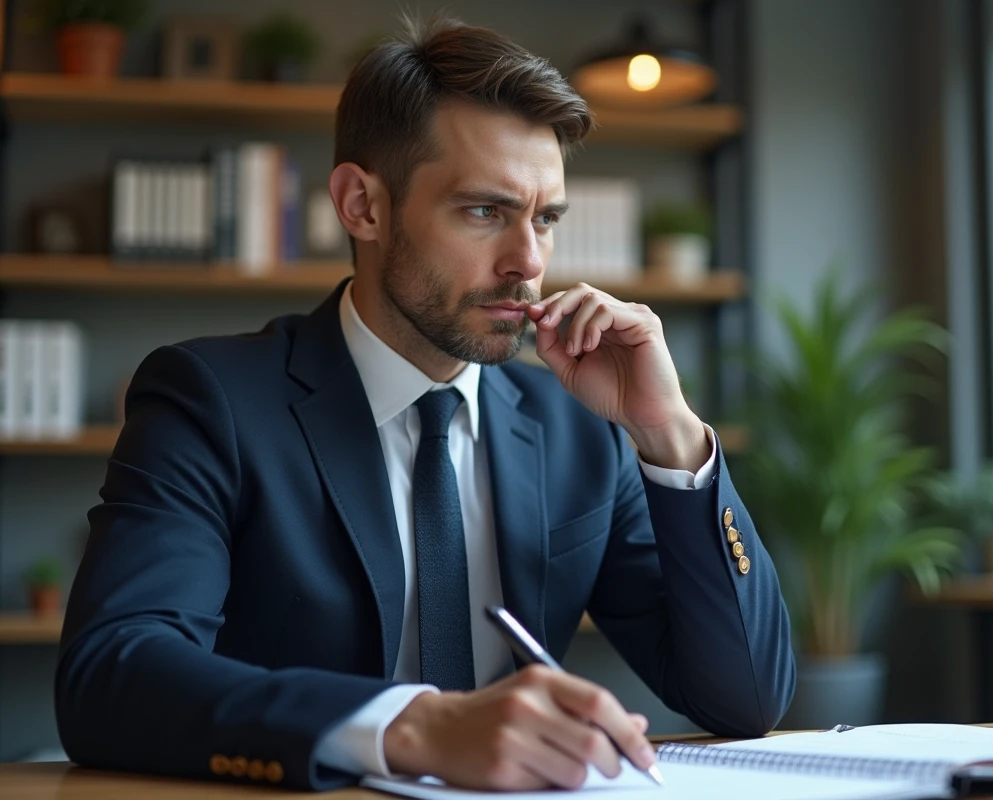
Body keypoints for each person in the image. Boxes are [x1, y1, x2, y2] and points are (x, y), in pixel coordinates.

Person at [55, 15, 795, 792]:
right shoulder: (210, 402)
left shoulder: (584, 432)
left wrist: (669, 435)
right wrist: (410, 725)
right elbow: (112, 673)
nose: (530, 262)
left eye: (545, 218)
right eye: (485, 212)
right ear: (361, 206)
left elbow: (743, 698)